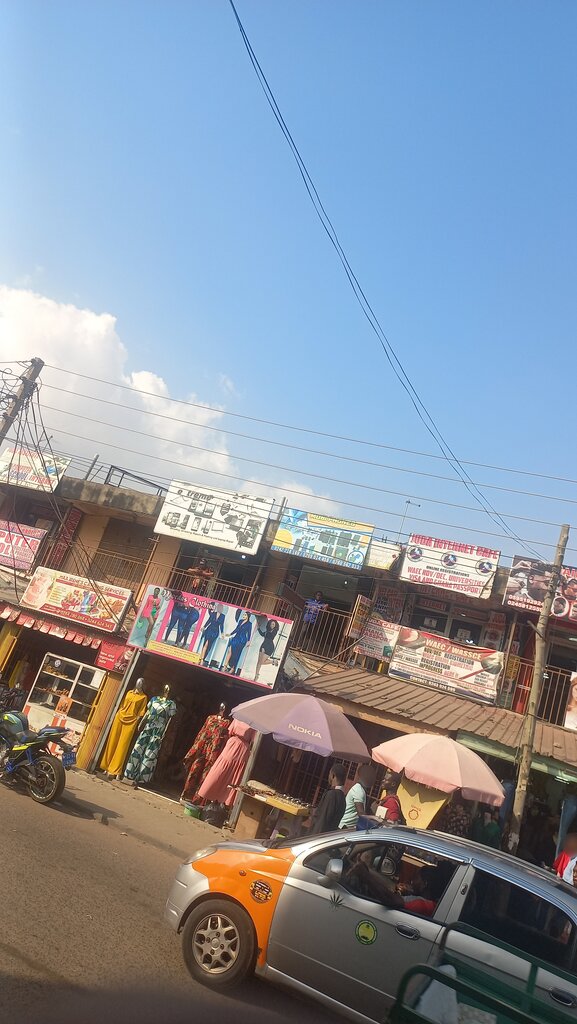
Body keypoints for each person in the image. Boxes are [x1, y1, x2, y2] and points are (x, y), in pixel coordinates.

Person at [307, 765, 347, 835]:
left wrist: (313, 837)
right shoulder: (342, 797)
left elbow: (322, 821)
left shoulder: (332, 795)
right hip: (328, 836)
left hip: (318, 836)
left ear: (333, 776)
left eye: (329, 774)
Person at [339, 766, 373, 830]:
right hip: (344, 827)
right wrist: (375, 819)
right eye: (371, 776)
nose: (373, 779)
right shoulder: (358, 790)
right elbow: (361, 814)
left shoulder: (360, 789)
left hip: (347, 827)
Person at [225, 610, 253, 675]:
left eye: (245, 615)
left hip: (242, 640)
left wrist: (248, 641)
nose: (243, 616)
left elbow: (249, 633)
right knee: (230, 651)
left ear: (248, 616)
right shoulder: (240, 621)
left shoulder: (249, 624)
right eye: (243, 615)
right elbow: (236, 629)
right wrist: (230, 634)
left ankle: (233, 668)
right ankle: (225, 666)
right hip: (236, 637)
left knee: (237, 654)